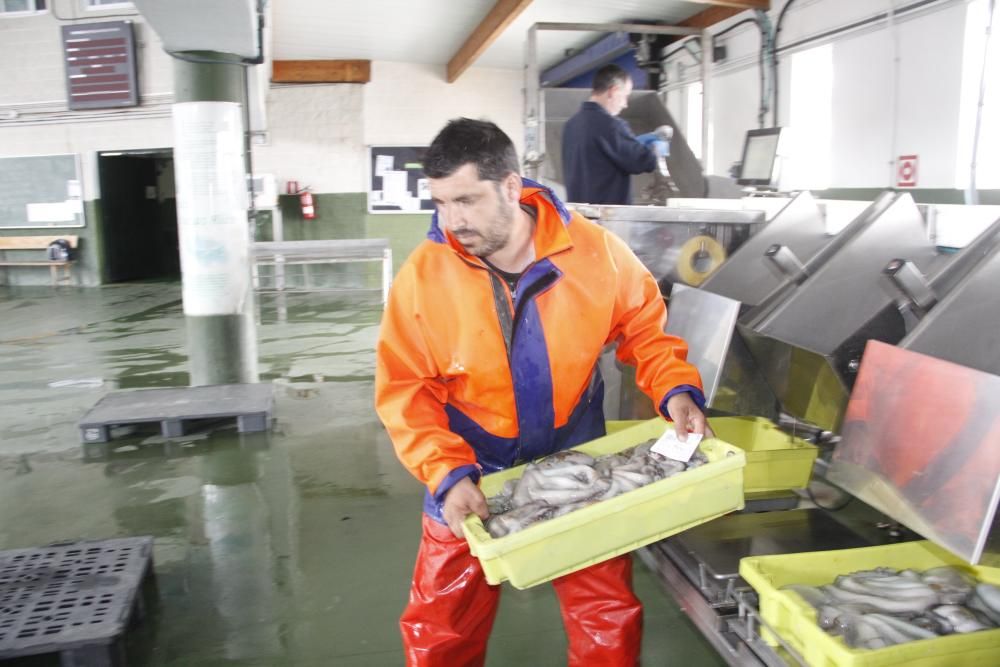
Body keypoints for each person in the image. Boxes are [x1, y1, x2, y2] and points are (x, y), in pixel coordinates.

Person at [374, 117, 708, 667]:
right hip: (468, 466)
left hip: (576, 459)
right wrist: (445, 473)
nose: (451, 220)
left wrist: (675, 390)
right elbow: (405, 387)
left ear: (511, 186)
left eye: (466, 200)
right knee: (442, 624)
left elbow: (644, 326)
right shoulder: (423, 276)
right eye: (439, 202)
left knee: (605, 612)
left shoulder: (596, 252)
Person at [562, 63, 669, 205]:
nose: (625, 104)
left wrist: (633, 143)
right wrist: (656, 148)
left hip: (579, 217)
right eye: (625, 96)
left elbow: (605, 156)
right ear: (613, 91)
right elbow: (643, 161)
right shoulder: (611, 125)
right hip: (607, 217)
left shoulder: (571, 125)